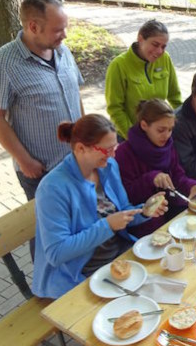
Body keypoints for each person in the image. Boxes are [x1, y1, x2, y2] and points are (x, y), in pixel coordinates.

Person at [32, 114, 168, 300]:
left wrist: (144, 211)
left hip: (117, 259)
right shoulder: (52, 188)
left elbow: (123, 212)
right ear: (81, 148)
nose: (113, 155)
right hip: (79, 274)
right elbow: (56, 253)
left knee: (166, 284)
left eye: (115, 148)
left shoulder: (108, 165)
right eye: (107, 150)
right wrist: (108, 226)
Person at [0, 0, 84, 203]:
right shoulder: (2, 63)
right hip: (41, 171)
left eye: (65, 27)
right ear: (33, 27)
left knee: (79, 221)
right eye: (57, 30)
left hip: (76, 160)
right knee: (48, 231)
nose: (64, 35)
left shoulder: (63, 52)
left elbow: (75, 96)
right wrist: (25, 161)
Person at [115, 99, 196, 238]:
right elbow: (127, 196)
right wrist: (151, 178)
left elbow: (177, 176)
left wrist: (192, 186)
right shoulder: (124, 152)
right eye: (161, 130)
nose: (167, 135)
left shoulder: (167, 145)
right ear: (144, 125)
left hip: (171, 207)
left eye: (170, 129)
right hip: (144, 220)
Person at [105, 20, 182, 139]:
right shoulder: (118, 65)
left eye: (163, 47)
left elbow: (175, 98)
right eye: (155, 44)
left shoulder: (165, 59)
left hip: (159, 136)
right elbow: (115, 109)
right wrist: (134, 138)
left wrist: (180, 126)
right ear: (140, 39)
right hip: (129, 138)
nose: (159, 51)